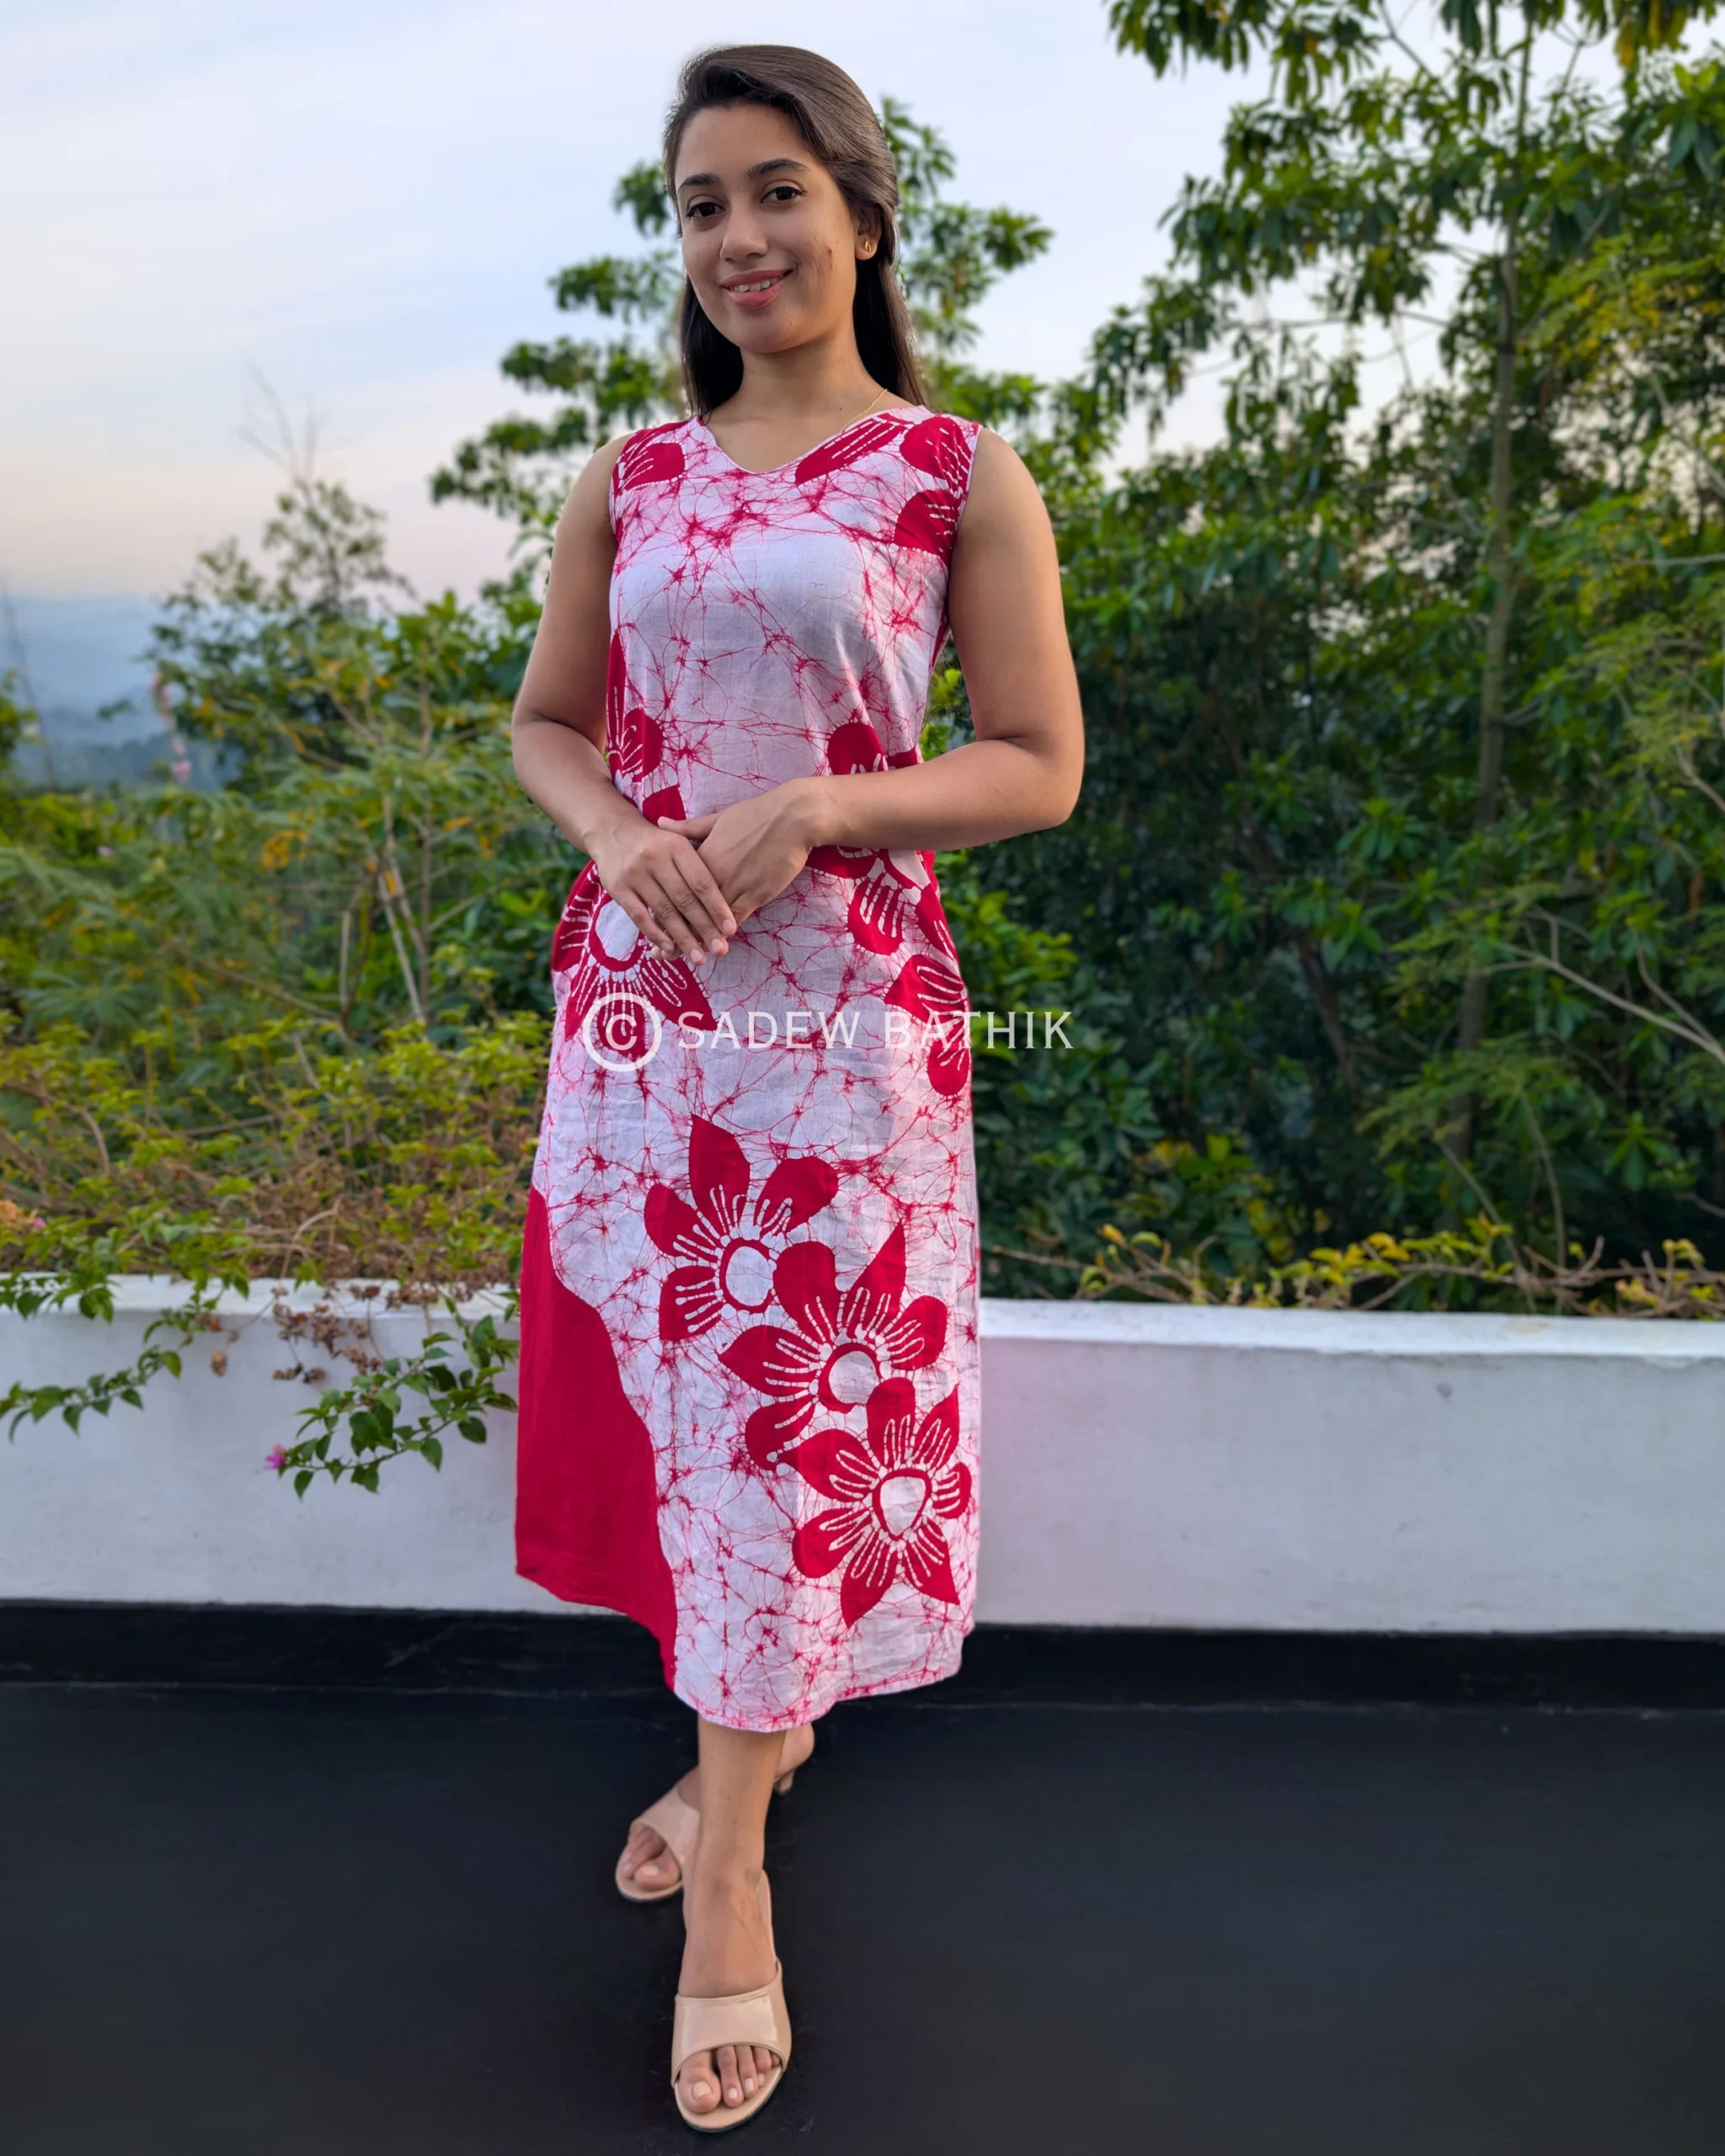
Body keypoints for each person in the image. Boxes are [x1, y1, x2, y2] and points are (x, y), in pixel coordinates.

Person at [509, 42, 1083, 2130]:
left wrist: (828, 803)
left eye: (775, 191)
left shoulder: (950, 472)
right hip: (646, 1025)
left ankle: (731, 1870)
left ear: (861, 211)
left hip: (841, 1040)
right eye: (700, 204)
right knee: (692, 1429)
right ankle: (743, 1747)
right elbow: (549, 723)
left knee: (787, 1424)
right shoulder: (630, 478)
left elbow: (1034, 762)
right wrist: (615, 836)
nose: (738, 238)